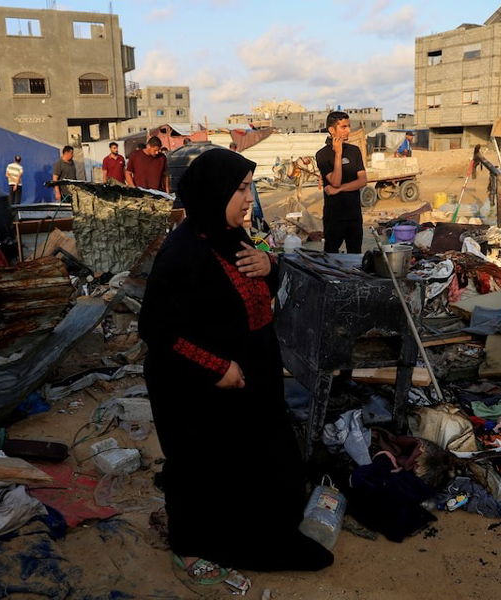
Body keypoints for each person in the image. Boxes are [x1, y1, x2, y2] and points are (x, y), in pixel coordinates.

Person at [139, 149, 334, 585]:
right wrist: (216, 368)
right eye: (242, 188)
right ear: (215, 191)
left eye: (251, 187)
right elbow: (156, 329)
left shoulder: (233, 238)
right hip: (197, 388)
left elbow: (265, 285)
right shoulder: (182, 252)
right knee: (201, 468)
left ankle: (259, 531)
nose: (250, 198)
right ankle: (190, 548)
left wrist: (271, 266)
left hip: (251, 379)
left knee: (265, 461)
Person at [315, 111, 367, 253]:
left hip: (354, 216)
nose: (348, 131)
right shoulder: (322, 155)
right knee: (330, 257)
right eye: (344, 127)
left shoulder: (354, 151)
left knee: (355, 257)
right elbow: (335, 181)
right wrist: (338, 154)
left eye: (349, 126)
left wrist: (339, 189)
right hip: (334, 217)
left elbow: (362, 180)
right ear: (332, 130)